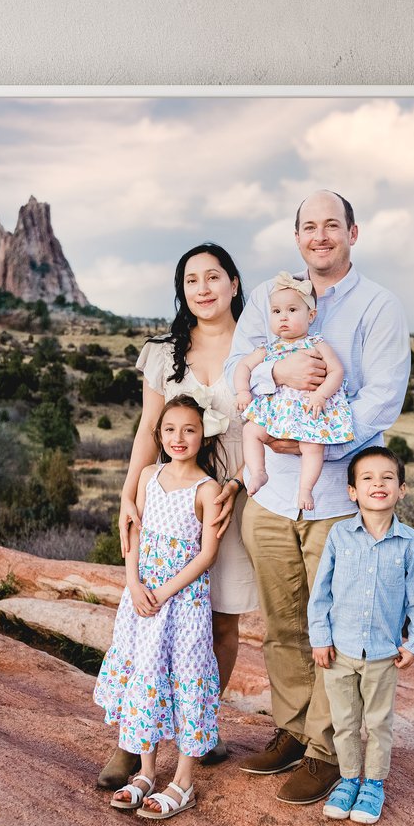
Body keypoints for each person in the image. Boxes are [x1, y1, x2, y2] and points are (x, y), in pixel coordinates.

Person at [225, 192, 411, 808]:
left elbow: (382, 397)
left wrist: (313, 441)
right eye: (310, 226)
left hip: (337, 498)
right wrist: (277, 377)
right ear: (297, 235)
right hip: (272, 496)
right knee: (282, 624)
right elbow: (240, 365)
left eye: (333, 225)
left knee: (334, 628)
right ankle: (292, 726)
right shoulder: (270, 296)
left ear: (352, 232)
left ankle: (328, 751)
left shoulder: (378, 307)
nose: (321, 235)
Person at [99, 244, 250, 791]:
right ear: (181, 290)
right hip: (169, 495)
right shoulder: (164, 354)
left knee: (220, 619)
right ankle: (132, 745)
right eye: (192, 279)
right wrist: (128, 494)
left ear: (234, 283)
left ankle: (195, 735)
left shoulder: (258, 347)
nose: (204, 288)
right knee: (146, 626)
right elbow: (147, 428)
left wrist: (236, 483)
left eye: (214, 277)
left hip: (234, 494)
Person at [92, 394, 228, 824]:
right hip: (142, 599)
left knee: (187, 678)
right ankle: (148, 772)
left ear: (203, 434)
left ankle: (184, 780)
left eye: (189, 429)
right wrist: (133, 582)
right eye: (170, 430)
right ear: (159, 435)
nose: (179, 438)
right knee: (144, 676)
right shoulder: (149, 476)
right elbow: (134, 533)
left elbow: (207, 554)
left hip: (182, 602)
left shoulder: (207, 489)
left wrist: (165, 591)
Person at [307, 445, 414, 826]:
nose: (377, 484)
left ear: (402, 489)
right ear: (352, 492)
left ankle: (374, 784)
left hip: (382, 653)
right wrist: (320, 638)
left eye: (387, 478)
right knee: (345, 722)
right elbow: (321, 593)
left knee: (378, 723)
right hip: (340, 650)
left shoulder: (411, 542)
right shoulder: (339, 535)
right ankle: (348, 780)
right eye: (367, 478)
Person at [239, 275, 352, 507]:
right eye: (276, 311)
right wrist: (242, 391)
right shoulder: (268, 348)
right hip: (275, 413)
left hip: (307, 409)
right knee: (251, 430)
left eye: (292, 310)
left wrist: (321, 395)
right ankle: (258, 471)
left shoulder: (316, 343)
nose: (283, 317)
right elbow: (242, 366)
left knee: (313, 446)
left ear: (311, 316)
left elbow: (336, 371)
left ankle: (305, 489)